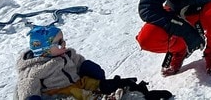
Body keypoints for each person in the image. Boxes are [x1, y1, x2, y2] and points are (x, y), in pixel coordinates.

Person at [16, 25, 163, 99]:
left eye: (63, 40)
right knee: (76, 95)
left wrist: (88, 67)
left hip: (79, 82)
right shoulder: (33, 70)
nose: (64, 44)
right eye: (60, 43)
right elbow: (27, 87)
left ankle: (123, 90)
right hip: (58, 93)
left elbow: (79, 62)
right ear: (46, 49)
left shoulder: (66, 54)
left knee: (99, 84)